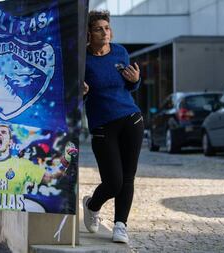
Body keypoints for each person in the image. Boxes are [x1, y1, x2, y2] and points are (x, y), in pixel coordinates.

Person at [83, 10, 143, 244]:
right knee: (113, 181)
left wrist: (135, 80)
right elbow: (78, 95)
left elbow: (129, 88)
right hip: (102, 125)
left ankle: (121, 225)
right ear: (89, 33)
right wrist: (82, 94)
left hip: (131, 119)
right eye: (99, 28)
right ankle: (92, 205)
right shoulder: (83, 59)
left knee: (128, 177)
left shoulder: (120, 52)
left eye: (107, 28)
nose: (105, 32)